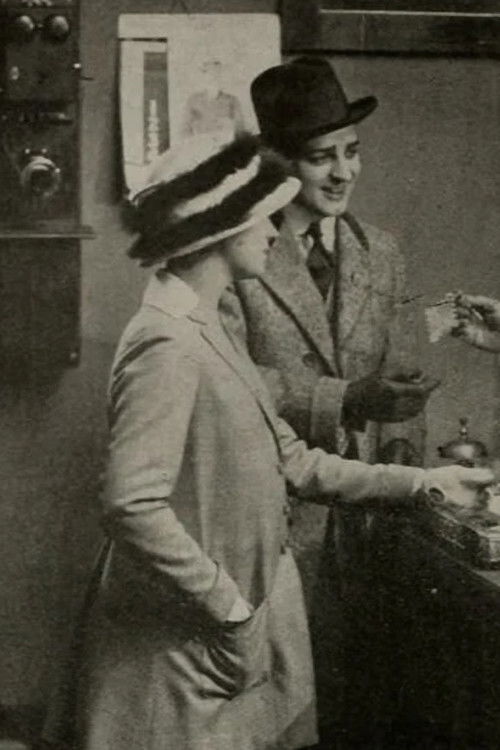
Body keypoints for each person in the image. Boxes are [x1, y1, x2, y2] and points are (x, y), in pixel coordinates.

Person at [41, 134, 492, 750]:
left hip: (218, 645)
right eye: (262, 217)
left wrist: (425, 483)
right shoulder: (167, 341)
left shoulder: (208, 326)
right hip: (179, 651)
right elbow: (131, 503)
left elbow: (293, 460)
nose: (274, 233)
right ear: (219, 229)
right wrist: (227, 607)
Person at [219, 57, 438, 746]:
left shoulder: (383, 254)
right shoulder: (239, 254)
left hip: (372, 525)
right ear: (279, 165)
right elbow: (230, 383)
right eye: (322, 158)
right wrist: (343, 398)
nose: (344, 173)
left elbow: (403, 382)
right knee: (280, 714)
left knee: (369, 701)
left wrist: (403, 465)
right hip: (275, 523)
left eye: (352, 152)